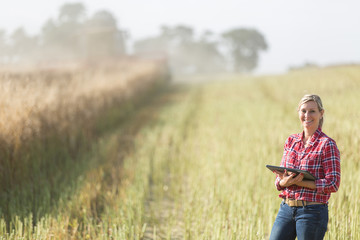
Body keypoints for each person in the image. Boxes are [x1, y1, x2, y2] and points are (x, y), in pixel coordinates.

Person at [269, 94, 341, 240]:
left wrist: (300, 182)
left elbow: (333, 183)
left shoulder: (327, 144)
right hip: (286, 209)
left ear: (321, 113)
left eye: (312, 111)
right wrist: (284, 182)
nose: (307, 115)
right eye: (303, 111)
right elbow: (279, 178)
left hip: (312, 211)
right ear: (298, 113)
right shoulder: (291, 141)